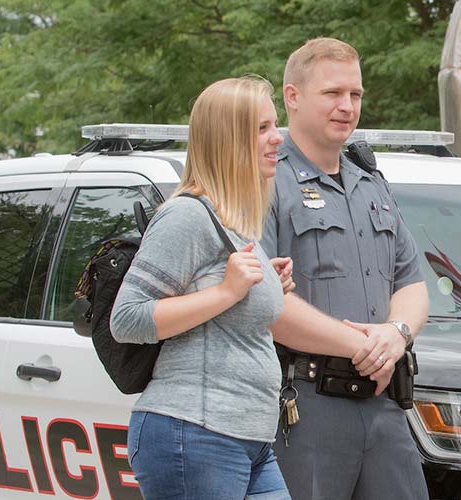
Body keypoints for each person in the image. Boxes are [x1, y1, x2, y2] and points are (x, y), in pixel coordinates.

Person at [258, 37, 430, 500]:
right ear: (291, 97)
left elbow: (412, 284)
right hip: (306, 407)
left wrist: (395, 334)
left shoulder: (372, 183)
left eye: (355, 95)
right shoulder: (265, 182)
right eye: (332, 93)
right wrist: (364, 346)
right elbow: (264, 302)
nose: (347, 106)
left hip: (384, 404)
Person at [109, 75, 291, 500]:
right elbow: (127, 318)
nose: (277, 138)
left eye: (274, 125)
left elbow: (227, 313)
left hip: (249, 439)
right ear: (229, 140)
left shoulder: (233, 221)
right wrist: (226, 292)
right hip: (193, 434)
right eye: (262, 128)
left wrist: (267, 287)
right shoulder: (186, 216)